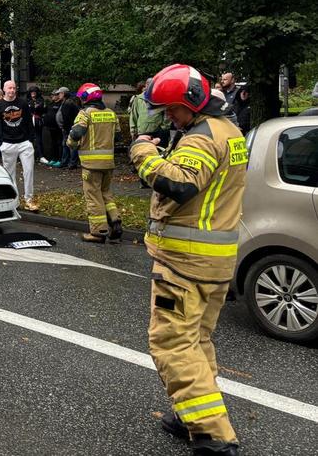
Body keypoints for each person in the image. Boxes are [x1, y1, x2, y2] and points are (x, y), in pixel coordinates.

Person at [130, 64, 247, 456]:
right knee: (196, 339)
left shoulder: (200, 140)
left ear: (191, 105)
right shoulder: (228, 132)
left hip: (184, 263)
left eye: (172, 110)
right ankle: (190, 412)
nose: (168, 117)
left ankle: (214, 436)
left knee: (172, 343)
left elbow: (180, 183)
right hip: (214, 261)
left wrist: (144, 153)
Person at [66, 83, 122, 243]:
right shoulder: (111, 114)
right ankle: (116, 222)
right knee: (106, 194)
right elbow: (118, 138)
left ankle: (98, 232)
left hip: (91, 165)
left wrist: (70, 143)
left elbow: (76, 133)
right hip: (108, 164)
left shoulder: (85, 114)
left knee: (93, 196)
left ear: (86, 98)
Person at [0, 80, 38, 211]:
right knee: (9, 174)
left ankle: (29, 199)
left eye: (14, 88)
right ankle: (14, 200)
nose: (12, 90)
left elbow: (29, 122)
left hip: (24, 143)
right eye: (9, 88)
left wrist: (30, 140)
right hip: (7, 144)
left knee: (29, 171)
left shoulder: (22, 104)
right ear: (4, 89)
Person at [56, 88, 80, 169]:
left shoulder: (68, 103)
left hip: (69, 128)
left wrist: (65, 128)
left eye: (59, 93)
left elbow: (67, 117)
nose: (58, 95)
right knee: (66, 145)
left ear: (63, 93)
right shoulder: (66, 102)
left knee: (71, 145)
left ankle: (72, 163)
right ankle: (65, 162)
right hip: (67, 127)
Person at [41, 88, 64, 166]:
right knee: (53, 143)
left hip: (58, 127)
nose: (52, 96)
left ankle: (60, 159)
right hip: (50, 127)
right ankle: (54, 158)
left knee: (59, 143)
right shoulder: (51, 104)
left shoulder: (61, 104)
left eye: (54, 95)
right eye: (52, 95)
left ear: (58, 95)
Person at [26, 86, 46, 161]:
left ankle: (41, 156)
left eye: (34, 92)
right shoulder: (27, 100)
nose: (33, 93)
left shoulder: (40, 100)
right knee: (29, 139)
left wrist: (34, 107)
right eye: (32, 92)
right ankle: (30, 156)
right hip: (29, 122)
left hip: (38, 121)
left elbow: (40, 109)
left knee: (38, 139)